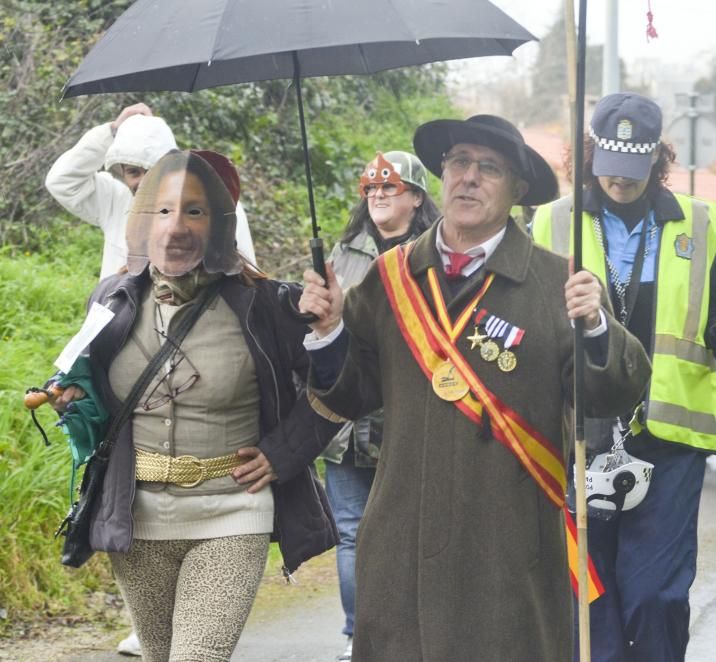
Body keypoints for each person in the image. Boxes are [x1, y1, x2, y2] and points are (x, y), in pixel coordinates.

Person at [299, 114, 651, 661]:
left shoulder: (560, 283)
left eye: (489, 168)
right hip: (403, 544)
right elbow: (350, 395)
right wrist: (327, 333)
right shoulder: (390, 278)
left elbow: (610, 396)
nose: (469, 177)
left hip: (510, 548)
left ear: (519, 189)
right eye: (459, 161)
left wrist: (597, 327)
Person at [49, 151, 338, 661]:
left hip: (232, 510)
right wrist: (70, 399)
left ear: (223, 224)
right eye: (162, 211)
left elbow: (338, 388)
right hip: (136, 518)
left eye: (195, 212)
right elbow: (87, 389)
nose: (175, 227)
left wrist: (285, 449)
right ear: (141, 219)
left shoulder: (270, 303)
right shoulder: (113, 298)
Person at [531, 92, 716, 662]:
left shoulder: (701, 223)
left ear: (658, 162)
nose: (620, 183)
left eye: (634, 172)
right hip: (581, 431)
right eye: (609, 171)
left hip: (669, 437)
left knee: (656, 594)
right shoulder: (552, 223)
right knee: (592, 593)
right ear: (590, 159)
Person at [319, 150, 439, 662]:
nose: (378, 196)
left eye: (389, 189)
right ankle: (357, 636)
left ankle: (411, 632)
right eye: (370, 189)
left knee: (410, 532)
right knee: (351, 531)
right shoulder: (341, 256)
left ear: (416, 197)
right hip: (347, 420)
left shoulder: (438, 256)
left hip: (409, 420)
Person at [46, 103, 256, 280]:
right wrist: (111, 132)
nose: (144, 181)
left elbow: (244, 274)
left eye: (152, 170)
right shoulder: (116, 200)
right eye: (133, 172)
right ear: (122, 172)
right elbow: (62, 181)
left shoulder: (215, 203)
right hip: (122, 322)